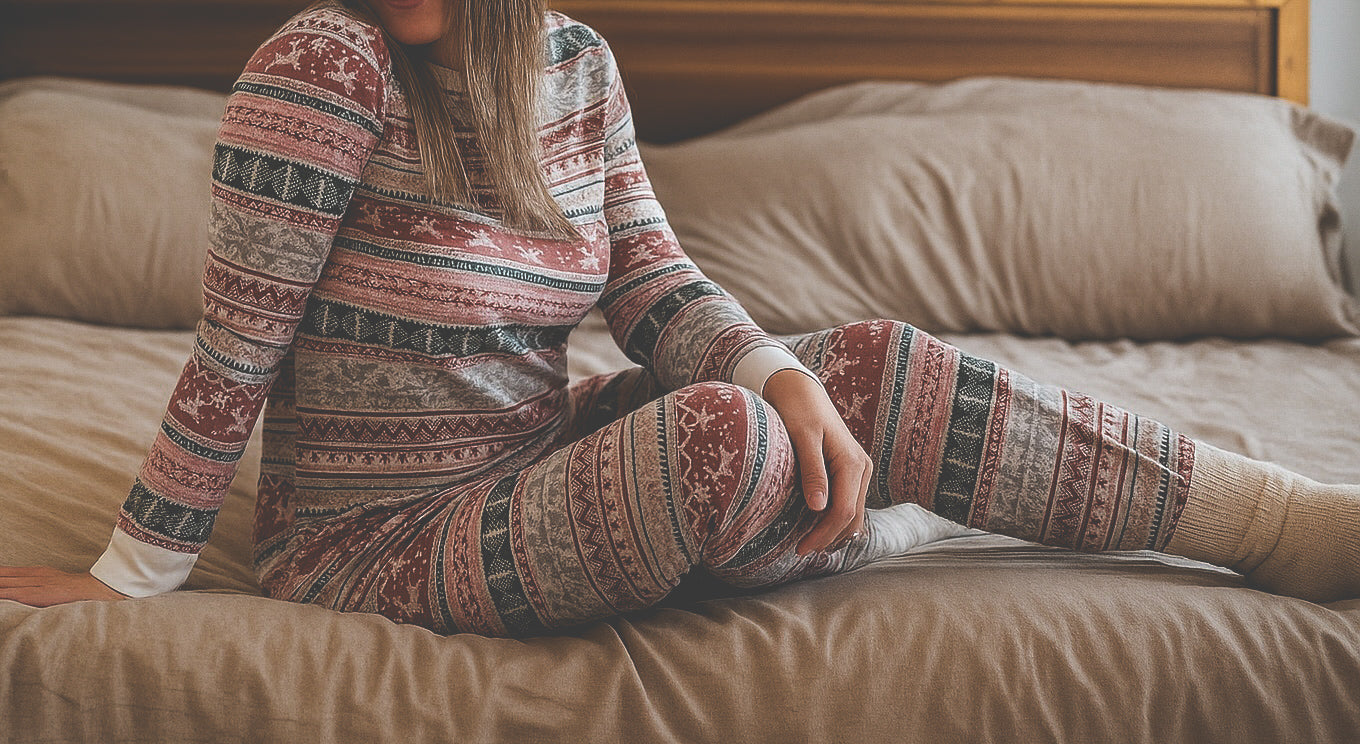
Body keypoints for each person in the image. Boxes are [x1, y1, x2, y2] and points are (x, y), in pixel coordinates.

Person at [1, 0, 1356, 637]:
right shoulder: (321, 65)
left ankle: (1281, 525)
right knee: (732, 446)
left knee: (846, 373)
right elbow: (234, 350)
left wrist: (781, 371)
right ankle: (893, 519)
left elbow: (651, 285)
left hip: (531, 468)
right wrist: (128, 580)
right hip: (369, 542)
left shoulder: (579, 68)